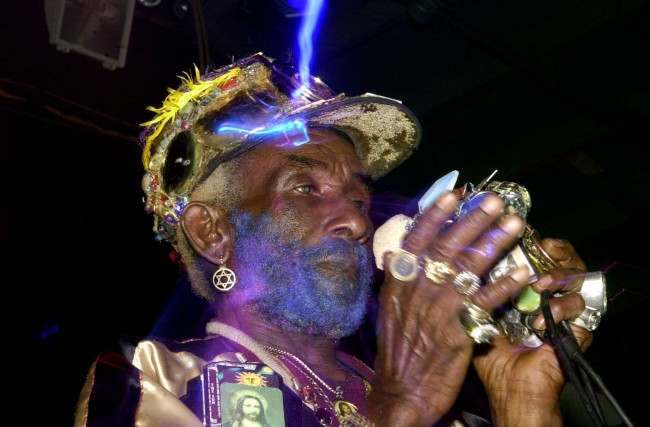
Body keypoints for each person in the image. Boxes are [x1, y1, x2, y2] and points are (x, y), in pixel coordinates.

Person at [74, 54, 600, 426]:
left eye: (358, 196)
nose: (356, 223)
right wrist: (397, 411)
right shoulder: (157, 386)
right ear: (214, 232)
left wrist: (521, 402)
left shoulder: (436, 401)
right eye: (306, 187)